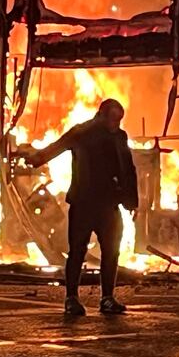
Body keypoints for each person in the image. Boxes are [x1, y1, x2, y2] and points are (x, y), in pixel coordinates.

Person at [19, 98, 138, 315]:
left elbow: (127, 168)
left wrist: (131, 201)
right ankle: (71, 298)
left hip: (109, 204)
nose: (116, 125)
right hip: (84, 202)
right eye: (112, 119)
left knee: (111, 252)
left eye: (119, 120)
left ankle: (107, 298)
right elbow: (54, 149)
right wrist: (34, 158)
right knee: (77, 251)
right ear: (101, 115)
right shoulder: (81, 133)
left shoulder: (119, 137)